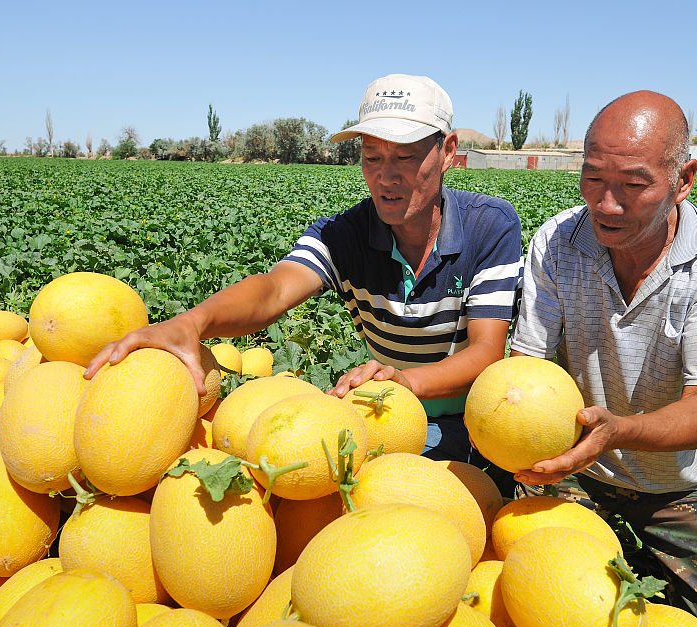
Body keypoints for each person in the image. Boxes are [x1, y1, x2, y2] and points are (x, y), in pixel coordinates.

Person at [87, 74, 523, 467]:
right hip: (382, 412)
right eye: (372, 158)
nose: (386, 177)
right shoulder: (343, 235)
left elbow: (486, 351)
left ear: (447, 152)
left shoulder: (489, 226)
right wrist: (193, 321)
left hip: (472, 421)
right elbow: (274, 290)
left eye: (406, 157)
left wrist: (405, 382)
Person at [509, 90, 697, 627]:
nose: (607, 204)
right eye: (593, 178)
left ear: (684, 179)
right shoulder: (556, 242)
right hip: (573, 464)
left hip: (678, 480)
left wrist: (619, 431)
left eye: (633, 184)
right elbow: (523, 370)